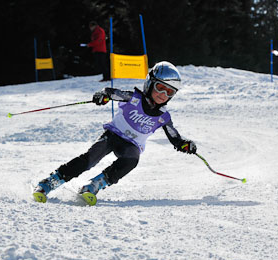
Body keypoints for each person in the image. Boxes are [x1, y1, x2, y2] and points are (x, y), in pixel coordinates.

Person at [33, 61, 197, 205]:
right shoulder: (134, 98)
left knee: (131, 160)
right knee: (91, 158)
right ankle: (50, 182)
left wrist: (184, 144)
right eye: (160, 88)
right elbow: (111, 92)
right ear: (150, 83)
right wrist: (103, 96)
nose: (163, 95)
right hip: (113, 135)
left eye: (170, 92)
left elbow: (174, 137)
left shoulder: (163, 117)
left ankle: (94, 185)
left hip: (131, 145)